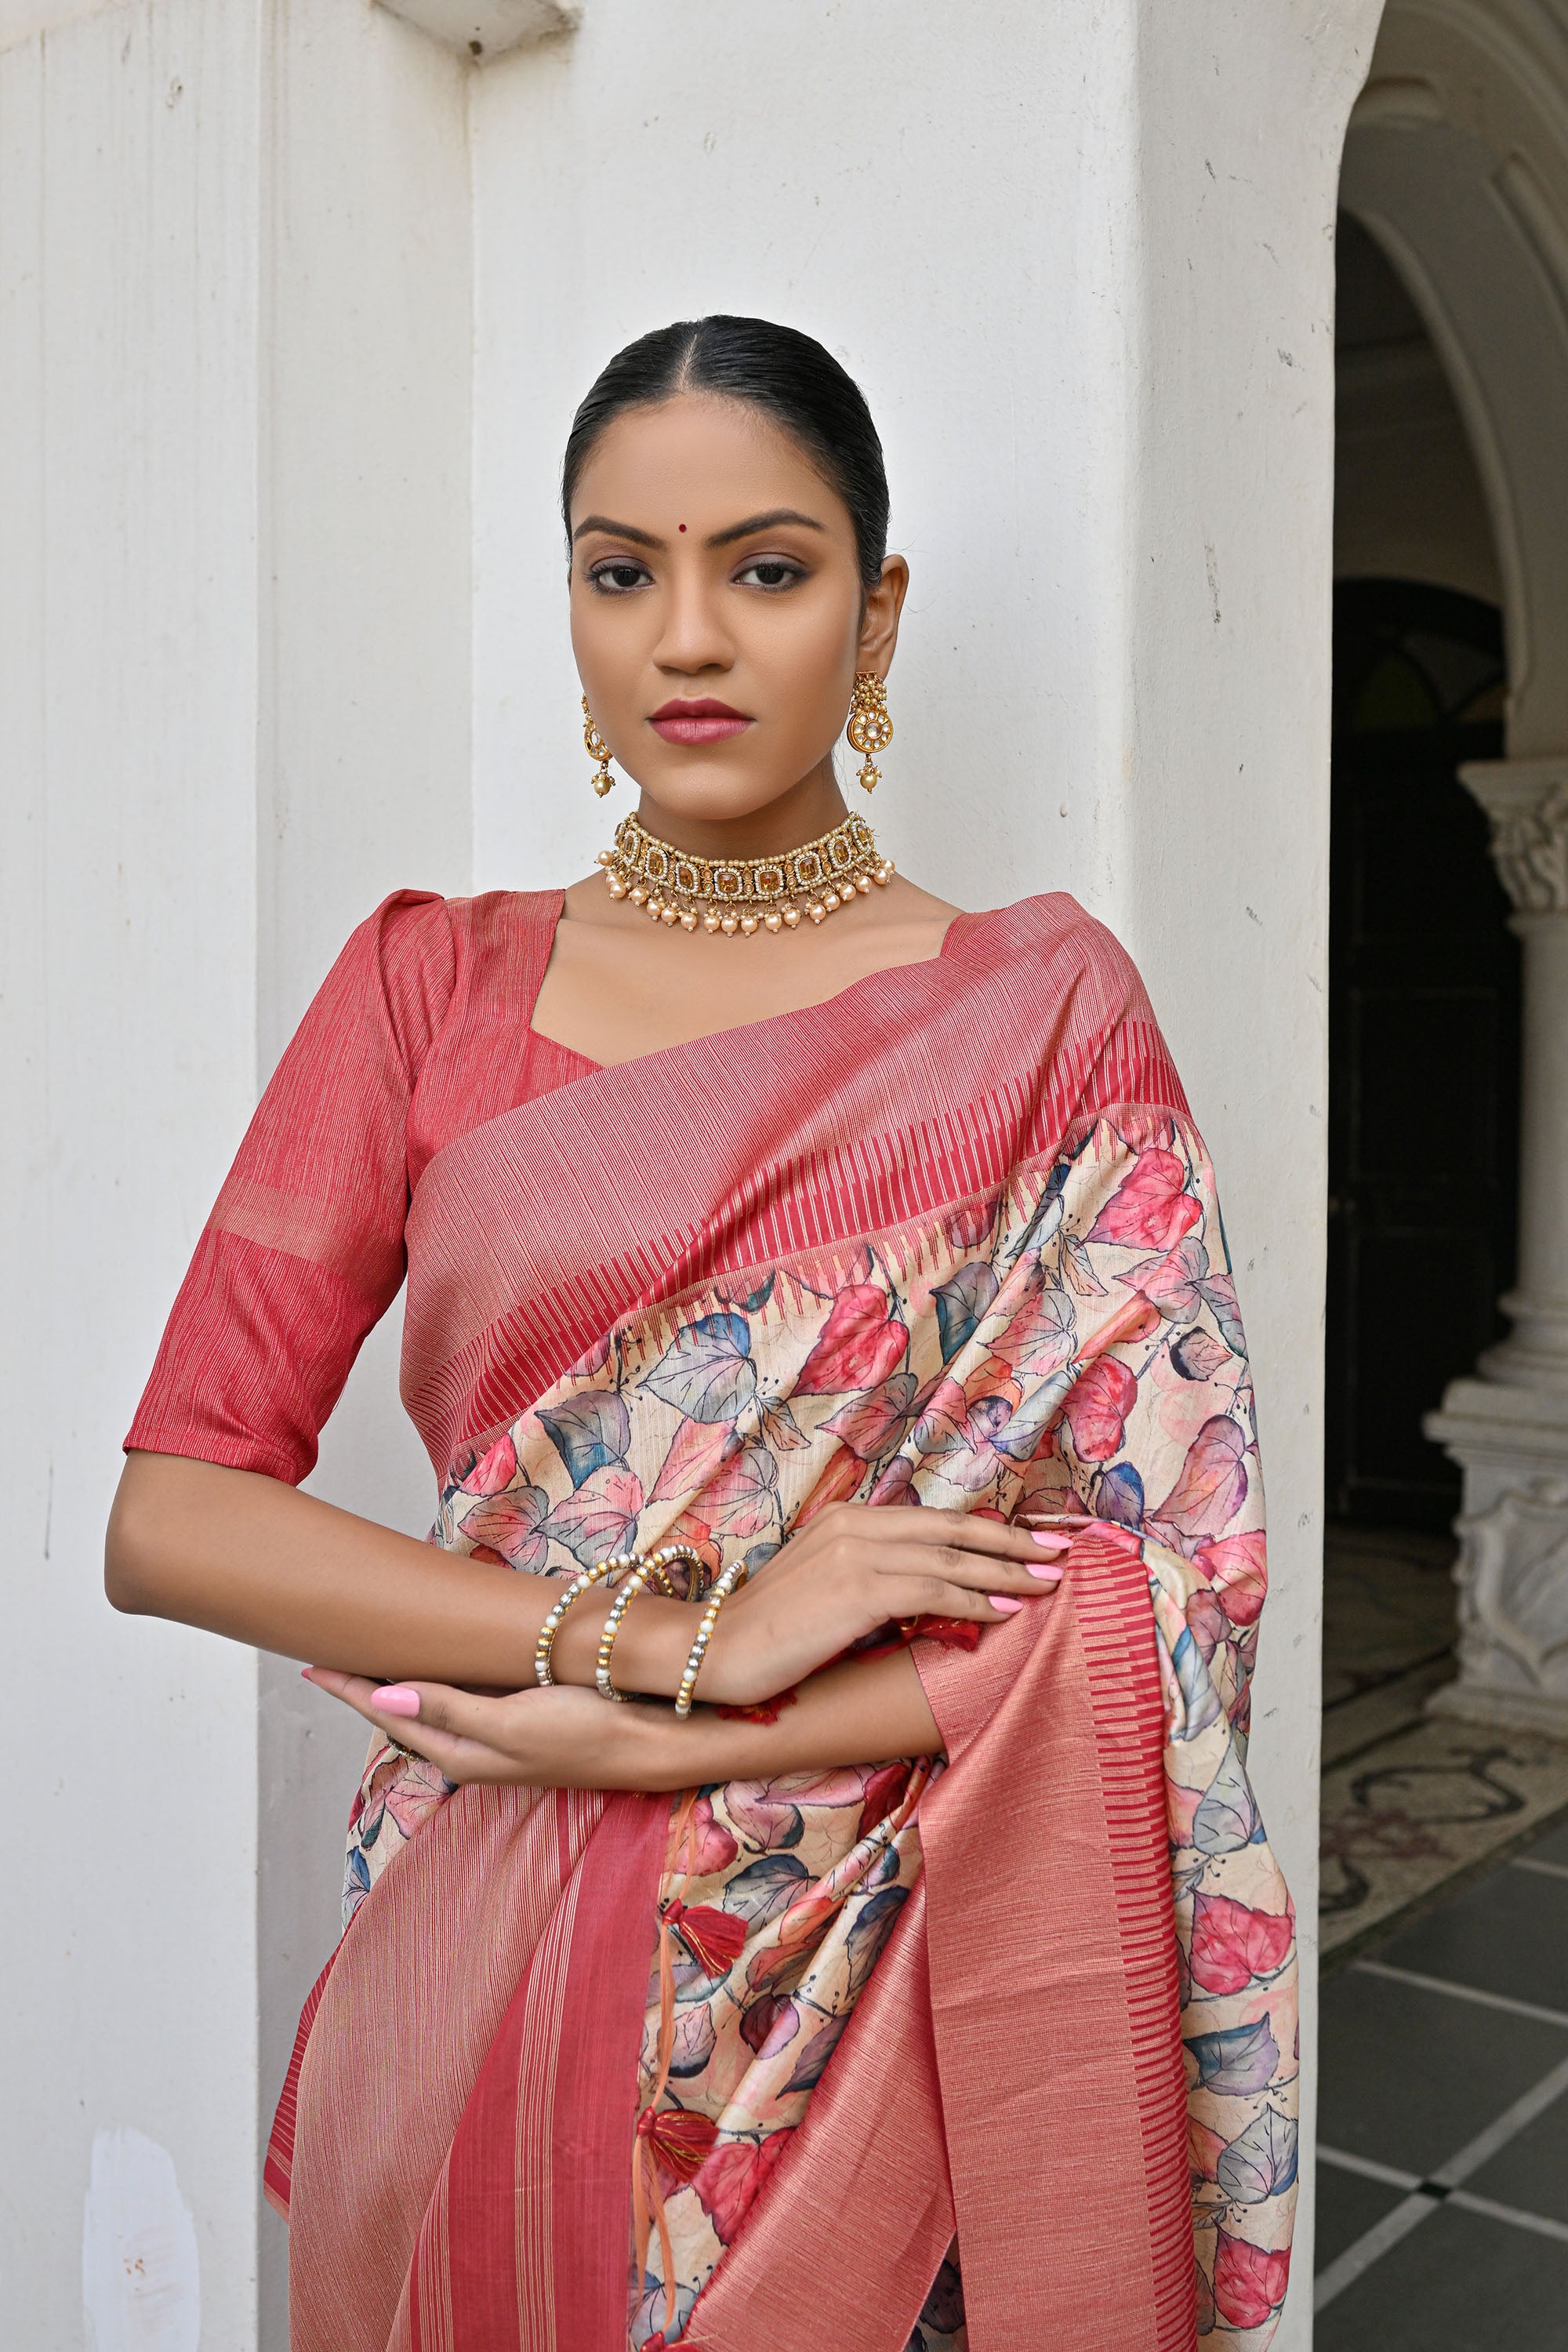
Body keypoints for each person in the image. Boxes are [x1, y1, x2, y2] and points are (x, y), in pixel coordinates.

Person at [107, 317, 1297, 2352]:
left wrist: (673, 1739)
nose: (687, 636)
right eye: (619, 571)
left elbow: (1163, 1589)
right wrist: (668, 1646)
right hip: (490, 1947)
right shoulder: (427, 991)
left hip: (885, 1975)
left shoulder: (1043, 1020)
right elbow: (174, 1513)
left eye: (766, 567)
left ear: (876, 610)